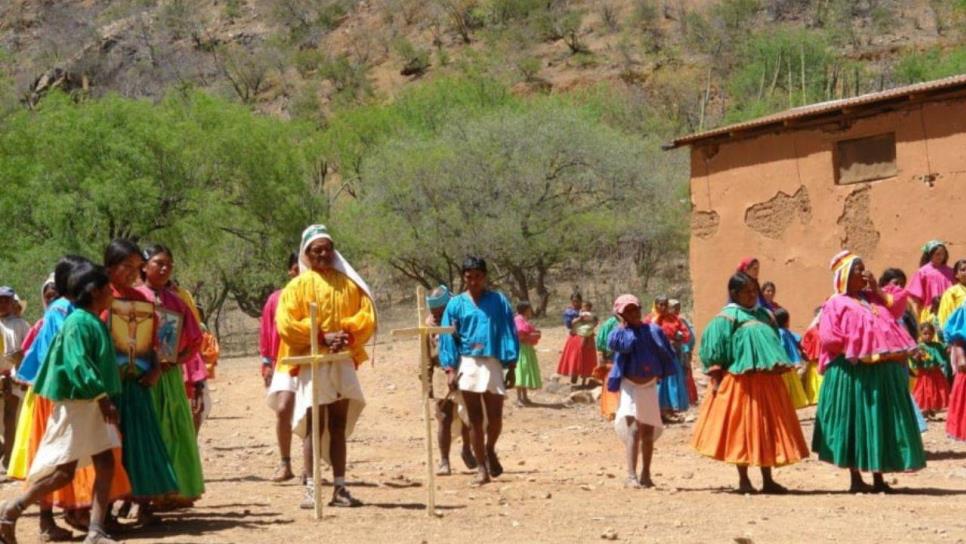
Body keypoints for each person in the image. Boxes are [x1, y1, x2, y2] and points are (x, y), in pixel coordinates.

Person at [0, 262, 123, 544]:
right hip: (81, 403)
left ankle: (96, 530)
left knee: (104, 464)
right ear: (94, 292)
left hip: (91, 402)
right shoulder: (79, 322)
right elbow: (79, 364)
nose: (111, 293)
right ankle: (11, 509)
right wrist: (103, 398)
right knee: (62, 472)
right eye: (107, 288)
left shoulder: (91, 320)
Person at [271, 225, 376, 508]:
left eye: (327, 248)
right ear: (306, 254)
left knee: (338, 424)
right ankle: (311, 488)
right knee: (314, 425)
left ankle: (340, 488)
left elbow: (365, 315)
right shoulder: (296, 287)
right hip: (313, 362)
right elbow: (286, 324)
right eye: (317, 250)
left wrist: (348, 334)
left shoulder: (348, 284)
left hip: (341, 361)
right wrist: (319, 336)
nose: (323, 254)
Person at [811, 251, 925, 493]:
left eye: (864, 268)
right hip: (854, 373)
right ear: (844, 275)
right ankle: (855, 477)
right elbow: (830, 338)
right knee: (856, 422)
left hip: (882, 372)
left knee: (880, 422)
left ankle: (879, 476)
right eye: (857, 269)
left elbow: (898, 309)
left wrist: (877, 289)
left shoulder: (874, 299)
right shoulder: (835, 303)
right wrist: (858, 351)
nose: (863, 273)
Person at [691, 272, 808, 494]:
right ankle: (744, 479)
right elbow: (715, 349)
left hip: (768, 382)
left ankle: (768, 478)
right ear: (734, 294)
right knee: (742, 429)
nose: (752, 295)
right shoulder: (727, 318)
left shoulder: (765, 315)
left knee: (767, 428)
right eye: (747, 292)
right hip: (741, 383)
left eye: (754, 291)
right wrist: (716, 379)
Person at [103, 239, 179, 523]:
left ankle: (143, 502)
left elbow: (153, 340)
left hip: (137, 383)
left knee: (142, 443)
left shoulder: (142, 299)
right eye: (127, 267)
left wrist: (156, 368)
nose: (133, 273)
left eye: (136, 267)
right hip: (110, 385)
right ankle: (106, 509)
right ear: (110, 265)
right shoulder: (100, 295)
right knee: (112, 446)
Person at [136, 245, 206, 508]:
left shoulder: (176, 301)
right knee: (151, 428)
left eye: (169, 264)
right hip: (142, 376)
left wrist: (178, 358)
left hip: (170, 375)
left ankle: (178, 488)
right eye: (159, 263)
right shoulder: (134, 297)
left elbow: (196, 338)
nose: (165, 269)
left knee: (176, 428)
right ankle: (149, 492)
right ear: (144, 266)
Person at [438, 257, 518, 485]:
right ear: (464, 277)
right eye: (469, 277)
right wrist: (450, 369)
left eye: (478, 276)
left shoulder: (498, 301)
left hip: (492, 361)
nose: (473, 281)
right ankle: (481, 468)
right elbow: (448, 337)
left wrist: (511, 364)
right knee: (474, 419)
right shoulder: (456, 305)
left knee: (495, 418)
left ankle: (490, 448)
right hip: (469, 363)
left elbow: (508, 330)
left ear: (485, 277)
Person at [606, 295, 675, 489]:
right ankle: (631, 475)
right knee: (633, 430)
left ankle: (646, 474)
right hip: (630, 386)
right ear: (620, 315)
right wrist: (625, 326)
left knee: (648, 430)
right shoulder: (619, 334)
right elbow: (623, 345)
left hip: (649, 386)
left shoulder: (652, 330)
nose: (634, 314)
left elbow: (665, 352)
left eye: (635, 309)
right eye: (628, 311)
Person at [424, 286, 474, 476]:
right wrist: (426, 381)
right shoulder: (429, 325)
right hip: (440, 374)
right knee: (444, 418)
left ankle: (467, 450)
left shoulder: (462, 317)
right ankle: (444, 460)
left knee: (468, 416)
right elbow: (426, 355)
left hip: (464, 370)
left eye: (440, 312)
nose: (437, 315)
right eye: (434, 312)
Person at [261, 252, 301, 482]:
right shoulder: (276, 299)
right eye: (297, 268)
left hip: (309, 361)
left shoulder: (315, 295)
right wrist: (266, 362)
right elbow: (266, 333)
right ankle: (285, 462)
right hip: (284, 362)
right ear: (290, 270)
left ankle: (310, 466)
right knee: (284, 409)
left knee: (310, 412)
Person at [647, 296, 691, 421]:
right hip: (656, 357)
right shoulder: (650, 319)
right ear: (655, 305)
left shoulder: (673, 319)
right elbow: (645, 335)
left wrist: (678, 337)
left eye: (665, 304)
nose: (663, 307)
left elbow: (685, 334)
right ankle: (659, 411)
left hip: (672, 356)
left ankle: (670, 409)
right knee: (659, 383)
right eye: (660, 304)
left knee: (672, 381)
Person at [0, 286, 30, 470]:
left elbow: (28, 351)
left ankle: (8, 460)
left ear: (13, 302)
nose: (2, 303)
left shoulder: (21, 325)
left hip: (13, 378)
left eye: (6, 300)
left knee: (10, 417)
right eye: (0, 300)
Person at [556, 293, 597, 387]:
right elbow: (569, 325)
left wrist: (590, 326)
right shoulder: (570, 312)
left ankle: (584, 380)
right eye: (574, 301)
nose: (576, 303)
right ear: (571, 301)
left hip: (588, 336)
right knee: (575, 357)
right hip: (575, 336)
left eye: (577, 301)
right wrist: (580, 319)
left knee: (587, 357)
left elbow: (594, 321)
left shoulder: (586, 310)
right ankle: (573, 377)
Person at [908, 240, 954, 324]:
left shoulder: (951, 272)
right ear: (930, 255)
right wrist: (916, 320)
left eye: (943, 254)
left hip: (949, 312)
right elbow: (915, 300)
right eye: (937, 254)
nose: (941, 257)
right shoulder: (922, 272)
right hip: (930, 313)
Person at [911, 322, 950, 418]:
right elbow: (914, 359)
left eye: (930, 333)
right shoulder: (919, 347)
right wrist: (917, 356)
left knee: (936, 390)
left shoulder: (937, 345)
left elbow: (945, 351)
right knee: (925, 391)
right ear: (920, 334)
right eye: (925, 333)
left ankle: (931, 408)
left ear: (933, 334)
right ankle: (925, 409)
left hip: (936, 373)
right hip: (924, 374)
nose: (928, 336)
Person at [774, 308, 808, 410]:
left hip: (787, 363)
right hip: (788, 363)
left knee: (789, 385)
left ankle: (788, 405)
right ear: (786, 321)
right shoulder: (783, 333)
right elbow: (796, 340)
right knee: (790, 385)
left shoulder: (780, 332)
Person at [669, 300, 698, 405]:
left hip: (682, 351)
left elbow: (690, 335)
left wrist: (688, 348)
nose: (677, 310)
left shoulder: (681, 320)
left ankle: (688, 398)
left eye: (678, 308)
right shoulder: (664, 321)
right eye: (674, 308)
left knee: (685, 373)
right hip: (670, 353)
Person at [513, 301, 542, 407]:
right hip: (522, 349)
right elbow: (521, 336)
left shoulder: (523, 319)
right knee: (521, 370)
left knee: (525, 371)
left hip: (527, 348)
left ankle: (524, 397)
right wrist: (533, 335)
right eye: (529, 309)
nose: (531, 311)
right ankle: (519, 398)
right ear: (525, 309)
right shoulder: (518, 320)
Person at [593, 313, 621, 420]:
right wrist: (602, 358)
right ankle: (612, 409)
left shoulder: (632, 323)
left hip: (624, 361)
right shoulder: (609, 324)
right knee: (611, 383)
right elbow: (601, 343)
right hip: (612, 359)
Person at [799, 309, 823, 406]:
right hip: (815, 360)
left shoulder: (827, 328)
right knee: (815, 378)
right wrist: (809, 354)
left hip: (824, 359)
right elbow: (805, 344)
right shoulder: (811, 331)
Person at [937, 259, 966, 337]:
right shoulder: (952, 292)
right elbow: (946, 315)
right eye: (963, 270)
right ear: (956, 274)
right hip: (959, 335)